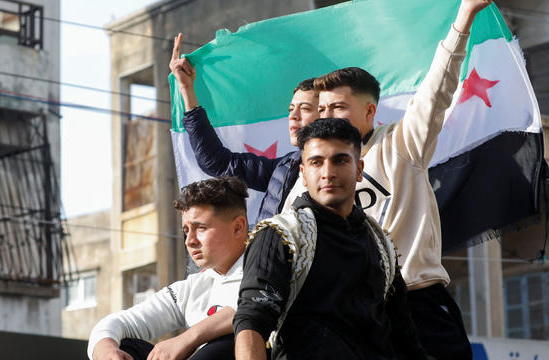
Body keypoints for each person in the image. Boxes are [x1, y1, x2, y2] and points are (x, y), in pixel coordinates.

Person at [306, 1, 493, 358]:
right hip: (355, 314)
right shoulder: (311, 175)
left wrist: (464, 18)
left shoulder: (399, 145)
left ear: (369, 111)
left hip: (417, 300)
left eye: (338, 107)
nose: (327, 116)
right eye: (323, 109)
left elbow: (437, 91)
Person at [233, 118, 427, 360]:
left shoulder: (381, 244)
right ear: (303, 174)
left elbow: (404, 338)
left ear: (359, 170)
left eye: (340, 160)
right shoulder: (280, 235)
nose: (328, 173)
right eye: (316, 162)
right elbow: (251, 323)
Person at [87, 176, 249, 360]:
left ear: (238, 227)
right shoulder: (193, 287)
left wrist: (189, 339)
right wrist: (106, 351)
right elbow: (115, 323)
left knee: (229, 341)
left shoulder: (268, 272)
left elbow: (253, 306)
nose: (190, 241)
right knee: (123, 345)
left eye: (201, 228)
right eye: (186, 231)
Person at [169, 35, 319, 223]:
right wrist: (187, 90)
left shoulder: (354, 165)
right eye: (291, 109)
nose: (293, 116)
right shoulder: (285, 169)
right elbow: (216, 162)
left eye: (304, 108)